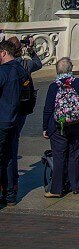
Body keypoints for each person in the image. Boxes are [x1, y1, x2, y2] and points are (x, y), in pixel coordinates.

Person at [42, 57, 79, 197]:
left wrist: (45, 128)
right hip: (77, 125)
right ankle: (76, 185)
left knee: (59, 156)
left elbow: (48, 109)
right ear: (71, 68)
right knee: (74, 155)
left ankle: (56, 189)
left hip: (58, 126)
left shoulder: (54, 86)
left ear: (57, 70)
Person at [6, 36, 42, 202]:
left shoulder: (6, 67)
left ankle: (9, 186)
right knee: (14, 144)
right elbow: (39, 63)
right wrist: (32, 49)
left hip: (8, 112)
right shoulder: (26, 64)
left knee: (8, 150)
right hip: (22, 109)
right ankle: (12, 185)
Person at [0, 38, 26, 207]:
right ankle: (10, 195)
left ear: (3, 53)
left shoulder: (3, 72)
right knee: (9, 157)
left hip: (2, 120)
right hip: (15, 119)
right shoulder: (21, 69)